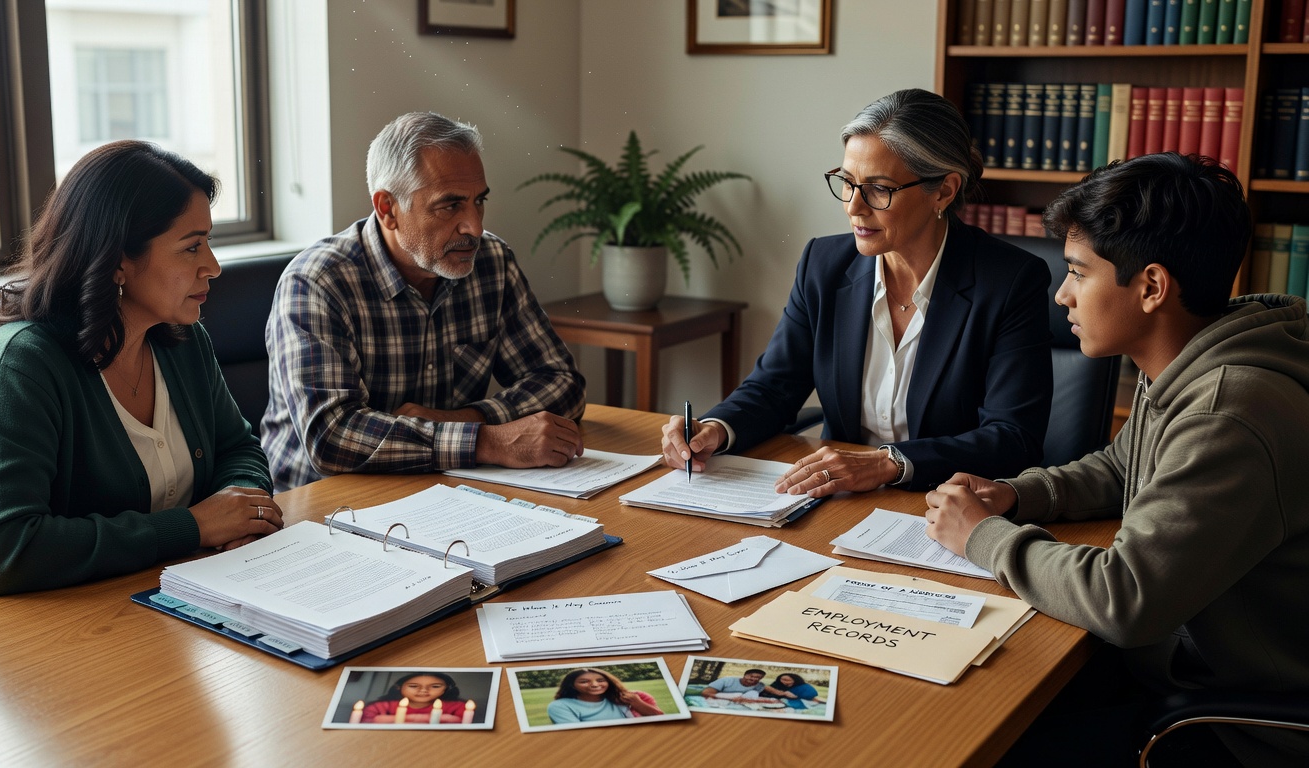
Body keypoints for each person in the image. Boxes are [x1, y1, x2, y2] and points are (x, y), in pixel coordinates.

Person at [924, 153, 1309, 767]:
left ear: (1152, 287)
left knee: (966, 741)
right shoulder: (1195, 357)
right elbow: (1119, 467)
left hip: (1235, 723)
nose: (1062, 293)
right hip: (1181, 666)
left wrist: (985, 537)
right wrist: (1020, 495)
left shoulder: (1227, 411)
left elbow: (1123, 599)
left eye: (1079, 272)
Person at [0, 141, 283, 610]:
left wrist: (243, 511)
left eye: (209, 242)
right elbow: (0, 551)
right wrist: (195, 526)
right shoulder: (18, 367)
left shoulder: (180, 338)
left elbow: (236, 447)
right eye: (191, 246)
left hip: (138, 598)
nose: (212, 266)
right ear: (117, 260)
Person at [661, 89, 1052, 494]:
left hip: (944, 505)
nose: (853, 207)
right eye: (847, 183)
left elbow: (1013, 437)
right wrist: (715, 429)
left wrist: (888, 464)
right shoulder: (824, 263)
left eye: (878, 189)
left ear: (944, 191)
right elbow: (773, 386)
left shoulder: (1010, 282)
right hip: (837, 499)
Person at [262, 111, 587, 490]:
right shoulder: (316, 283)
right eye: (450, 205)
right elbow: (331, 437)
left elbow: (562, 382)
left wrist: (465, 419)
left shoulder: (491, 262)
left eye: (478, 201)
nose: (475, 227)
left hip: (439, 489)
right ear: (387, 209)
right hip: (323, 507)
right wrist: (490, 441)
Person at [546, 668, 663, 724]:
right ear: (572, 685)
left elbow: (661, 719)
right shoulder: (560, 706)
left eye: (601, 680)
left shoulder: (623, 698)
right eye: (584, 682)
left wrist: (637, 703)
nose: (595, 685)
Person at [363, 671, 469, 724]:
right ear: (398, 687)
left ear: (447, 688)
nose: (423, 690)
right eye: (413, 686)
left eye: (435, 686)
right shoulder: (379, 707)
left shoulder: (458, 707)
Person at [700, 668, 767, 700]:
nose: (754, 679)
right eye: (751, 676)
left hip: (741, 701)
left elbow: (753, 696)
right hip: (721, 698)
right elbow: (705, 693)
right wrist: (730, 698)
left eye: (758, 678)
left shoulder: (759, 686)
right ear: (745, 675)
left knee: (753, 692)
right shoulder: (727, 680)